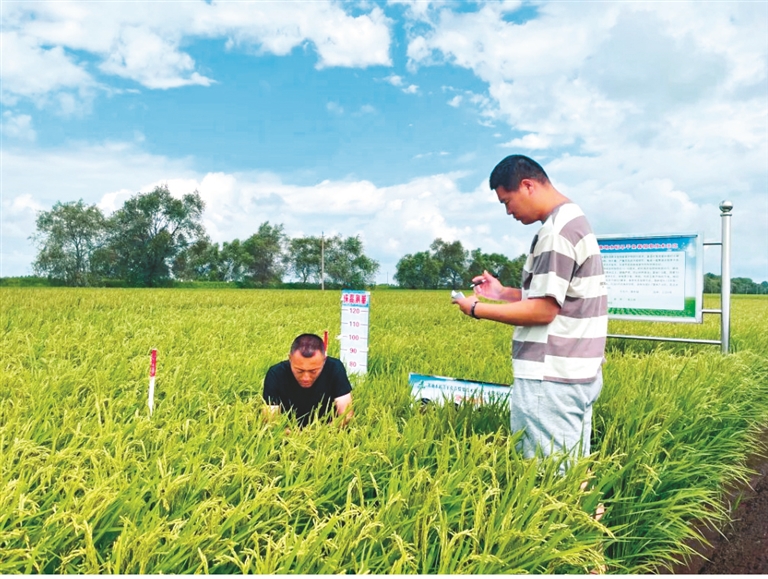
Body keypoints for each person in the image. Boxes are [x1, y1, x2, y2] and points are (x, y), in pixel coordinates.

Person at [453, 154, 608, 466]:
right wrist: (501, 293)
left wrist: (476, 309)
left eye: (507, 201)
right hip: (577, 371)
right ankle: (592, 515)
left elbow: (543, 311)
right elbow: (559, 296)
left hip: (550, 378)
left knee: (551, 478)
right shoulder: (574, 221)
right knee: (573, 472)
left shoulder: (556, 232)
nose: (508, 211)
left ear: (527, 186)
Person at [263, 333, 353, 427]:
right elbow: (271, 420)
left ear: (324, 360)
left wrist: (318, 435)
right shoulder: (276, 373)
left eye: (313, 371)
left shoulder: (335, 368)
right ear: (290, 358)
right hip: (288, 434)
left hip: (327, 431)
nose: (306, 377)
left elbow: (346, 415)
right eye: (299, 371)